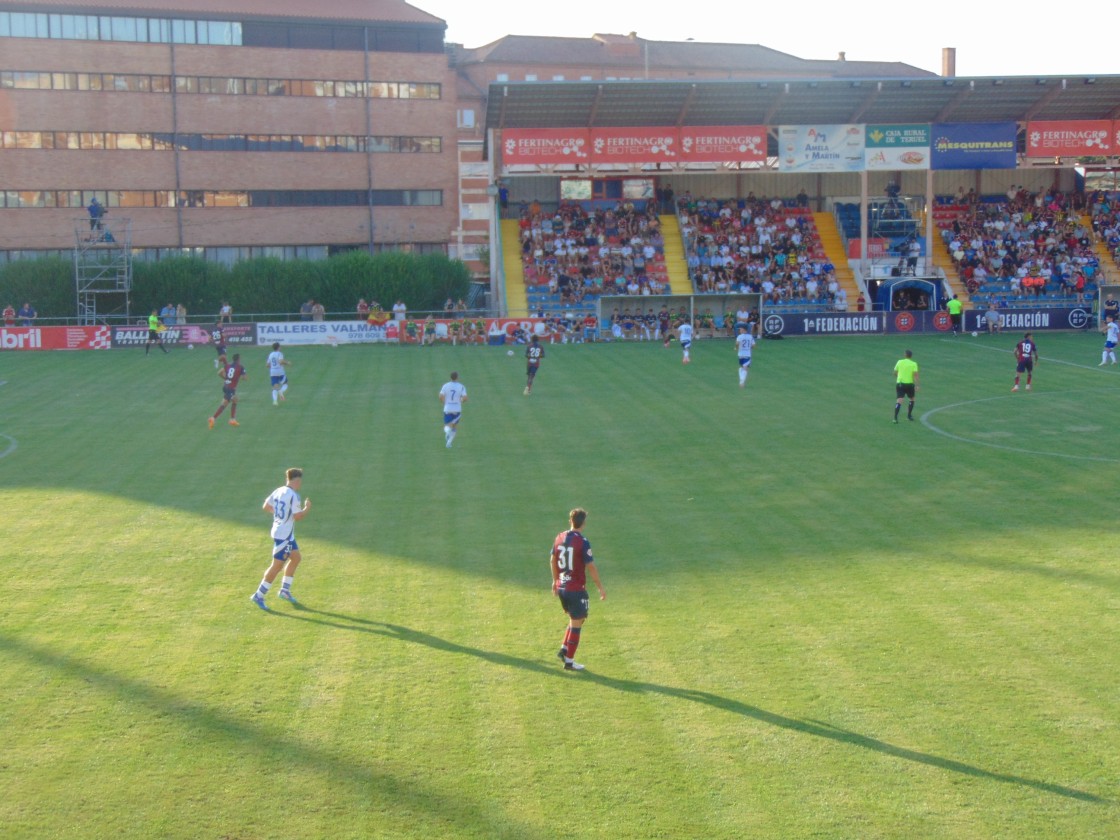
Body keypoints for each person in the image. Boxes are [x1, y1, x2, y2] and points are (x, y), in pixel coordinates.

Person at [550, 507, 606, 672]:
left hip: (562, 587)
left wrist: (555, 581)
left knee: (576, 619)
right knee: (577, 623)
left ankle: (564, 649)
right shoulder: (582, 541)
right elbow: (591, 567)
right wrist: (600, 587)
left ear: (571, 521)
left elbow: (552, 559)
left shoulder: (559, 537)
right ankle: (569, 661)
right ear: (584, 523)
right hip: (575, 589)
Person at [250, 467, 311, 610]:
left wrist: (278, 515)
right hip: (284, 536)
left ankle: (285, 591)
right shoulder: (293, 496)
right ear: (296, 480)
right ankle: (259, 595)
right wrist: (307, 507)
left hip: (283, 534)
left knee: (296, 558)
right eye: (300, 481)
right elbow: (298, 516)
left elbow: (266, 506)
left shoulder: (278, 491)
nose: (300, 484)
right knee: (277, 566)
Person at [209, 352, 246, 427]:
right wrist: (242, 376)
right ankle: (232, 420)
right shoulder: (240, 367)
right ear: (239, 359)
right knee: (235, 400)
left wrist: (226, 378)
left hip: (226, 386)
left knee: (225, 403)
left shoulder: (228, 365)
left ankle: (213, 418)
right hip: (230, 388)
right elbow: (244, 378)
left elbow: (219, 373)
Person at [439, 371, 467, 448]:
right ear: (457, 377)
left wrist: (444, 402)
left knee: (447, 425)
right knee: (454, 427)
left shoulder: (445, 386)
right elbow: (465, 398)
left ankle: (447, 433)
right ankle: (449, 443)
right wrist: (460, 401)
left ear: (450, 377)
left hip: (447, 408)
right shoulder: (461, 386)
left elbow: (440, 396)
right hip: (457, 409)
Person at [893, 349, 919, 423]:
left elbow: (895, 373)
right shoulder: (914, 364)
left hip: (900, 384)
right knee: (912, 399)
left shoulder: (899, 362)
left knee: (899, 400)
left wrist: (899, 377)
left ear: (905, 355)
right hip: (910, 384)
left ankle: (895, 418)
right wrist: (917, 385)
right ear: (911, 356)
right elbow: (916, 375)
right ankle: (909, 416)